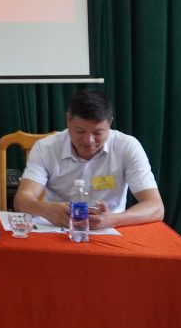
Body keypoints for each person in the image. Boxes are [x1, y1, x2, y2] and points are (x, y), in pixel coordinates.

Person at [14, 90, 165, 230]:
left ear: (109, 123)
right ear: (68, 120)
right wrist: (46, 209)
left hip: (110, 229)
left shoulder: (127, 147)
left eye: (98, 133)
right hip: (59, 228)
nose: (89, 140)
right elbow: (22, 201)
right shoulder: (46, 148)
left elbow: (156, 207)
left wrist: (114, 219)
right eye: (79, 131)